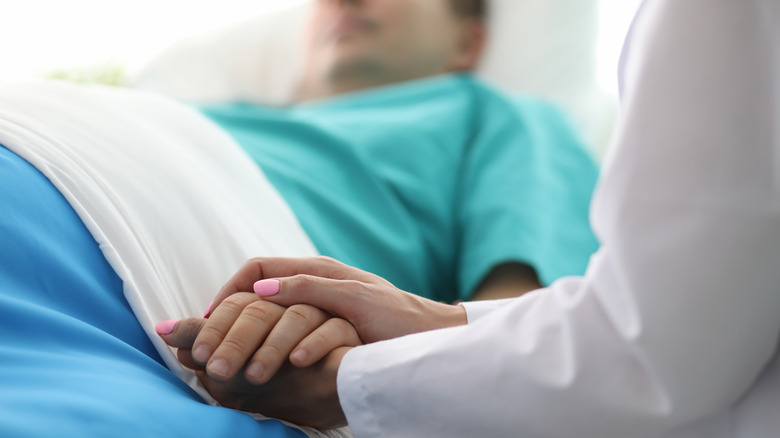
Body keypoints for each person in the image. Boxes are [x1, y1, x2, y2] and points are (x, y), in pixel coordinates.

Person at [160, 0, 780, 436]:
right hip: (102, 144)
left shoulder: (504, 118)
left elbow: (528, 328)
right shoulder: (200, 111)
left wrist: (355, 371)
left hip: (216, 285)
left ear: (468, 42)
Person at [199, 0, 600, 304]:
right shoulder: (218, 113)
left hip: (232, 279)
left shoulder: (504, 117)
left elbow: (520, 331)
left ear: (466, 42)